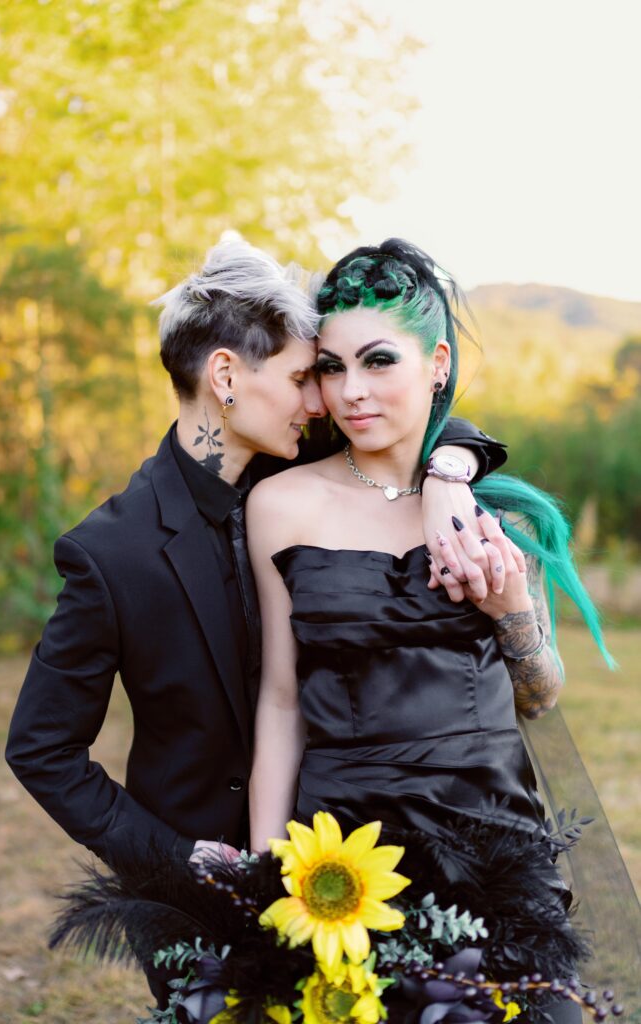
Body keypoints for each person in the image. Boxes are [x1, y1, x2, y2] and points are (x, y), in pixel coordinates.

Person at [5, 237, 506, 1005]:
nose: (322, 403)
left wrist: (450, 470)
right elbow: (41, 748)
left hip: (350, 858)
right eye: (305, 377)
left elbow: (415, 408)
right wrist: (175, 856)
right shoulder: (111, 552)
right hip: (200, 897)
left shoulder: (297, 471)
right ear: (226, 377)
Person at [246, 239, 622, 1021]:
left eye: (378, 361)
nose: (351, 391)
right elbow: (280, 701)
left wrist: (510, 609)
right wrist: (263, 869)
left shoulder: (499, 514)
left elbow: (541, 695)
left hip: (493, 844)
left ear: (438, 362)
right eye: (330, 367)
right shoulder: (278, 505)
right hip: (344, 852)